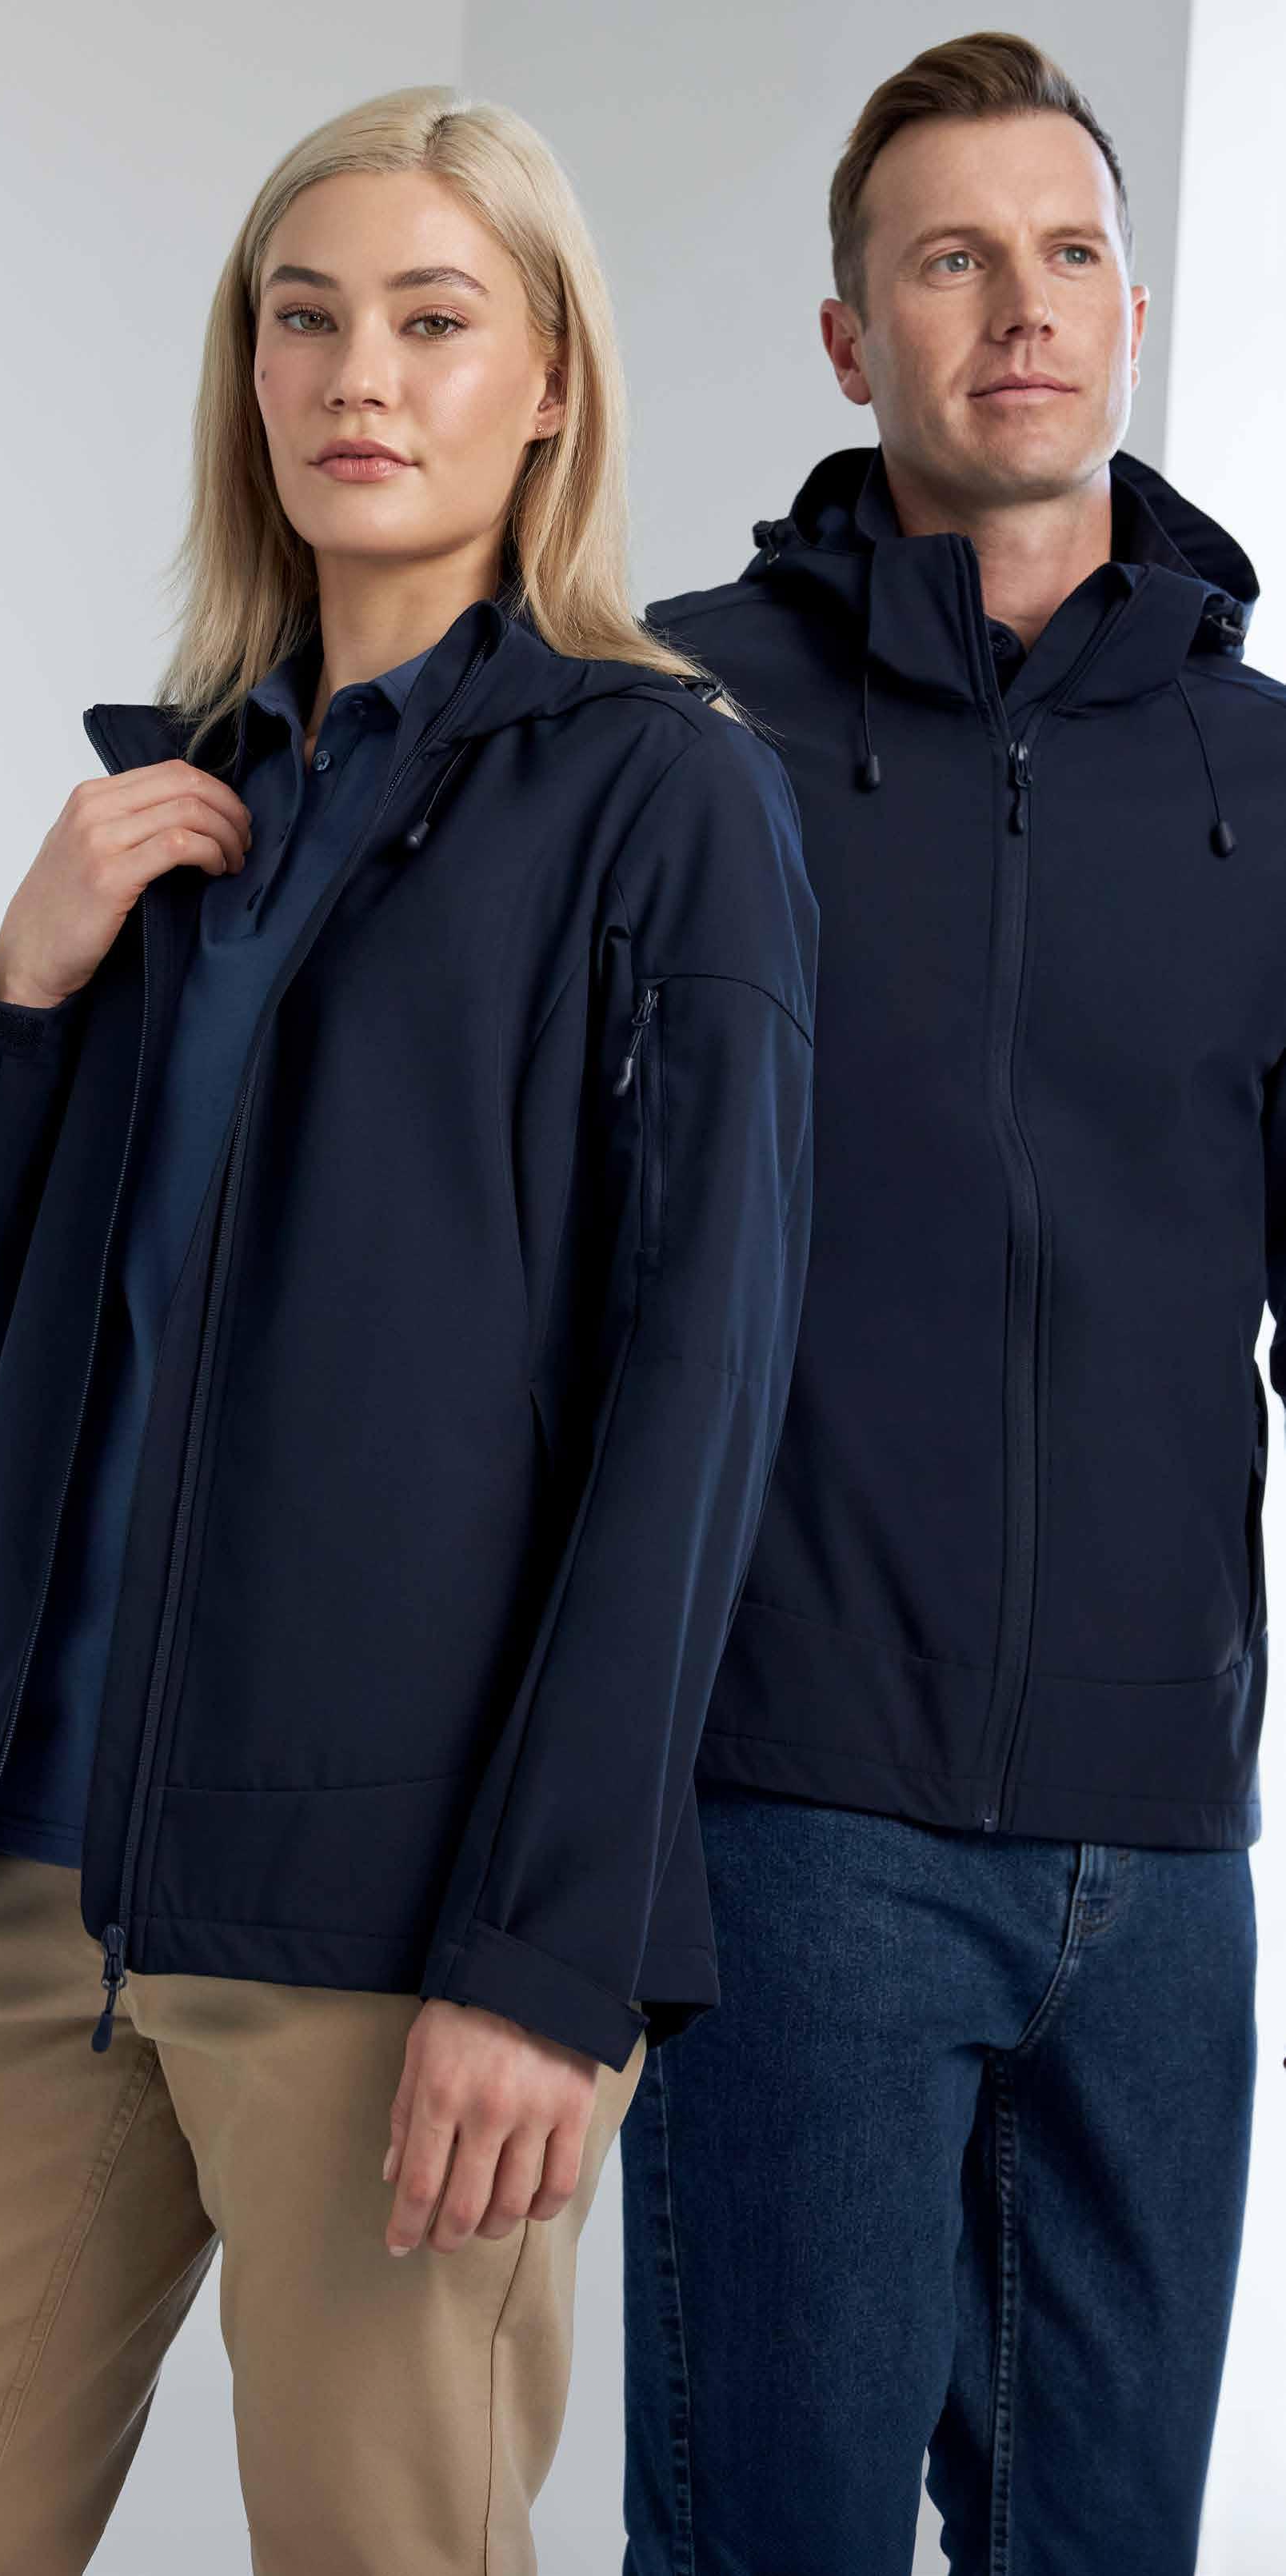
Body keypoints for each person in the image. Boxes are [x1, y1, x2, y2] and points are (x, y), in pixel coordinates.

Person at [0, 84, 817, 2576]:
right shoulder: (168, 821)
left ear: (550, 381)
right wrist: (12, 1001)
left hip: (394, 1940)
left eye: (432, 317)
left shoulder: (661, 801)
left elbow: (691, 1414)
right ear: (247, 373)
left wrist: (548, 1955)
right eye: (303, 318)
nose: (357, 372)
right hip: (25, 1896)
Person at [621, 30, 1276, 2576]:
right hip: (797, 1830)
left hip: (1163, 1858)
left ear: (1128, 308)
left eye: (1066, 252)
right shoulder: (674, 726)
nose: (1020, 306)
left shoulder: (1265, 782)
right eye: (949, 259)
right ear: (845, 336)